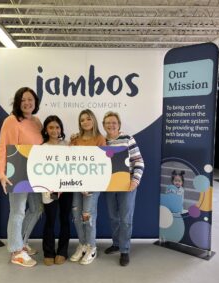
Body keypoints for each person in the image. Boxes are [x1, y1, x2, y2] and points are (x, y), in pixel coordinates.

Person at [0, 87, 43, 267]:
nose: (27, 103)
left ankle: (21, 242)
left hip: (36, 174)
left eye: (30, 99)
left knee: (37, 208)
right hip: (17, 173)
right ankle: (16, 252)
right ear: (17, 102)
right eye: (23, 100)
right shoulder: (11, 120)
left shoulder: (37, 122)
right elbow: (2, 147)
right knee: (18, 211)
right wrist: (1, 173)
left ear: (35, 102)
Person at [102, 111, 144, 266]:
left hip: (127, 184)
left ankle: (125, 250)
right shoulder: (102, 141)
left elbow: (139, 161)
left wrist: (135, 181)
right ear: (103, 125)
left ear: (119, 124)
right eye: (107, 123)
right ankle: (116, 244)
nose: (111, 125)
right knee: (113, 217)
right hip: (110, 185)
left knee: (126, 219)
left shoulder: (127, 139)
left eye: (114, 122)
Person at [69, 109, 106, 265]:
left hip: (92, 184)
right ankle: (83, 244)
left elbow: (102, 164)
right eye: (82, 120)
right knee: (77, 215)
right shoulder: (76, 139)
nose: (85, 122)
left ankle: (92, 247)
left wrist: (88, 185)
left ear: (93, 121)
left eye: (88, 119)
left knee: (87, 215)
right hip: (76, 183)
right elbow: (69, 161)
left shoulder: (100, 139)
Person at [41, 115, 73, 266]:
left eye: (57, 127)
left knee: (65, 219)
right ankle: (48, 252)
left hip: (67, 188)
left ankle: (62, 251)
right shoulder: (41, 148)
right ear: (46, 130)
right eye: (51, 127)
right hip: (50, 190)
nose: (55, 130)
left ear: (61, 129)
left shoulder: (68, 146)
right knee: (50, 220)